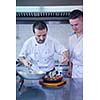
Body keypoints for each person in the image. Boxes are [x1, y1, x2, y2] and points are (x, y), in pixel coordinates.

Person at [67, 9, 83, 100]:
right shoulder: (71, 38)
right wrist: (70, 68)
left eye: (76, 24)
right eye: (72, 25)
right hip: (75, 73)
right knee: (75, 96)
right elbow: (71, 55)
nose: (74, 28)